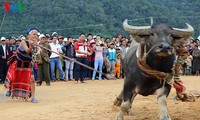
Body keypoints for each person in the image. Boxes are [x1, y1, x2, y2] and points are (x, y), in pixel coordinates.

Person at [5, 27, 39, 103]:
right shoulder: (24, 41)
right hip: (19, 62)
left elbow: (38, 49)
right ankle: (10, 90)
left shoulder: (35, 42)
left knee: (32, 79)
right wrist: (31, 46)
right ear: (29, 35)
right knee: (14, 77)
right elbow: (27, 51)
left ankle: (33, 97)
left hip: (28, 63)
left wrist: (38, 50)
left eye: (37, 34)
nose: (36, 36)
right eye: (34, 34)